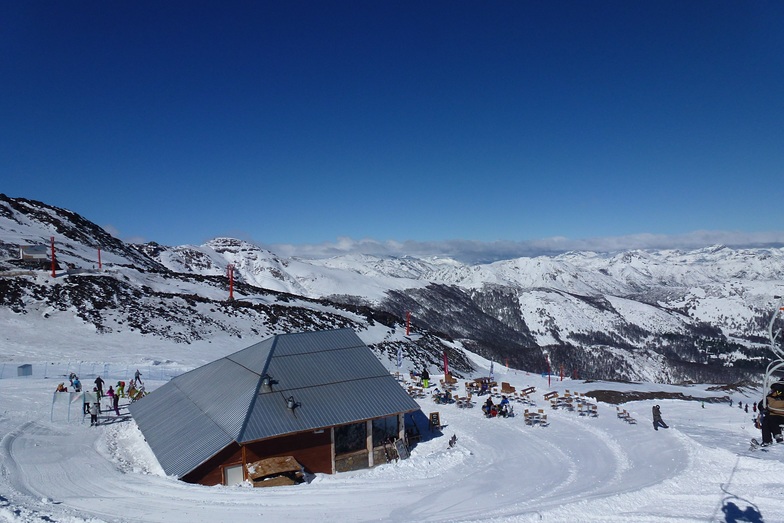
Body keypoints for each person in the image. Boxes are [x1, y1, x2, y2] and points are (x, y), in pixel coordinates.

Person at [758, 382, 784, 446]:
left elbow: (772, 407)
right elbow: (760, 405)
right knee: (766, 422)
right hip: (772, 416)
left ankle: (778, 435)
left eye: (774, 390)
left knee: (771, 419)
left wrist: (769, 408)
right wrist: (763, 409)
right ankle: (767, 441)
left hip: (781, 417)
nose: (772, 392)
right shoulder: (769, 398)